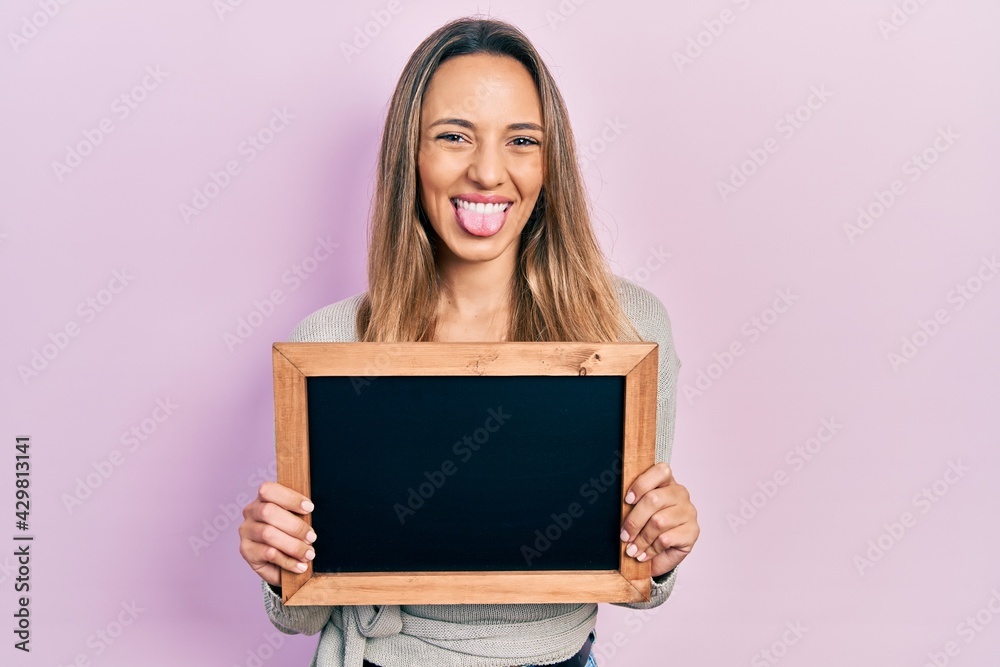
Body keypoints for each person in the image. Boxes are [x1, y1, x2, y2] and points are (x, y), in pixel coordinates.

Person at [238, 16, 700, 667]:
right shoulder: (330, 342)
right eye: (454, 136)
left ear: (550, 162)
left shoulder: (629, 329)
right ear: (411, 155)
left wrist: (663, 543)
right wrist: (277, 557)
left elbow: (638, 574)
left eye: (521, 140)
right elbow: (303, 608)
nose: (488, 171)